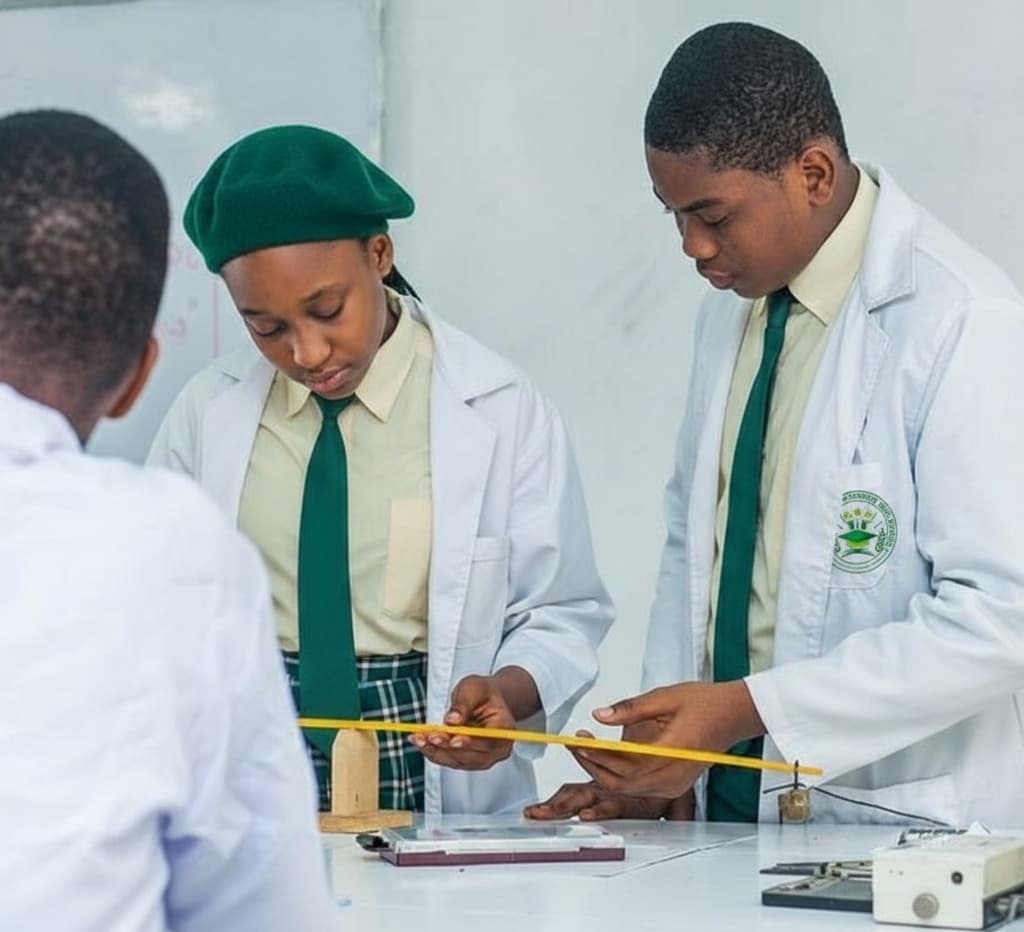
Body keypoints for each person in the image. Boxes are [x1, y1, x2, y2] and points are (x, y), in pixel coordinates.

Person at [528, 22, 1024, 827]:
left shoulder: (963, 320)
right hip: (727, 800)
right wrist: (665, 762)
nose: (692, 246)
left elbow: (999, 618)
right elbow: (696, 546)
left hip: (893, 821)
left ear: (813, 174)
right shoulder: (730, 316)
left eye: (713, 215)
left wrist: (746, 709)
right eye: (673, 215)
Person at [148, 125, 612, 815]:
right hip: (255, 745)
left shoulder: (500, 407)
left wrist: (507, 696)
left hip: (422, 743)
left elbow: (561, 610)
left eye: (327, 310)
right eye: (266, 328)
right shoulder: (206, 412)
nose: (307, 352)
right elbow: (159, 598)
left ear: (380, 254)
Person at [0, 110, 338, 930]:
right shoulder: (170, 547)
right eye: (267, 327)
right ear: (138, 378)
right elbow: (260, 905)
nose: (306, 351)